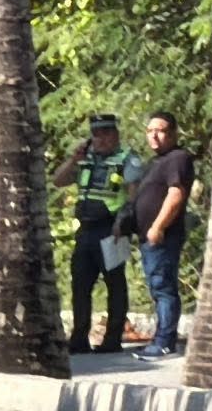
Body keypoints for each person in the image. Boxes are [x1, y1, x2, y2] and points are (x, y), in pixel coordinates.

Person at [53, 114, 144, 354]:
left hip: (112, 229)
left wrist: (123, 222)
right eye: (96, 134)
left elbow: (134, 196)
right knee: (80, 285)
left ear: (115, 134)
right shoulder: (86, 159)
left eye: (106, 133)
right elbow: (58, 181)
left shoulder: (127, 159)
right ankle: (79, 338)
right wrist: (74, 160)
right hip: (86, 230)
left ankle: (112, 339)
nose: (101, 139)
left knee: (115, 284)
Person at [132, 111, 195, 361]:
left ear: (173, 133)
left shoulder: (178, 159)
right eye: (150, 131)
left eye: (160, 131)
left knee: (163, 287)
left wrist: (158, 226)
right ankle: (159, 339)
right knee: (157, 287)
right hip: (147, 238)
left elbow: (176, 195)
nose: (154, 136)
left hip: (163, 236)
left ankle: (165, 343)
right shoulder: (155, 162)